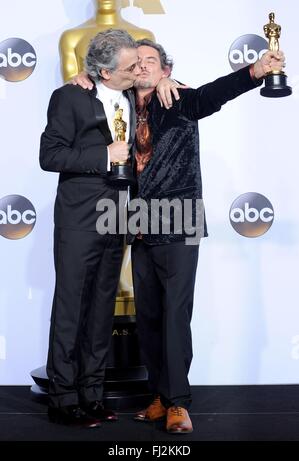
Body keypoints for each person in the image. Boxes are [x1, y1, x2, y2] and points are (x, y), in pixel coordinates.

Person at [73, 39, 285, 433]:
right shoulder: (118, 106)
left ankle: (178, 404)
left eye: (150, 61)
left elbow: (212, 95)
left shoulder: (178, 98)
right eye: (135, 62)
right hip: (139, 221)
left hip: (178, 219)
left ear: (165, 70)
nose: (141, 67)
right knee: (149, 315)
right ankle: (158, 396)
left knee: (174, 316)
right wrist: (83, 76)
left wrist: (255, 72)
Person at [39, 29, 141, 428]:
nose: (137, 71)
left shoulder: (133, 95)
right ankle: (63, 398)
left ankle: (92, 394)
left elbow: (157, 79)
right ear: (103, 70)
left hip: (116, 217)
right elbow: (50, 154)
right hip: (79, 218)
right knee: (70, 309)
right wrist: (104, 155)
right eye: (130, 67)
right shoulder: (69, 97)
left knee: (101, 309)